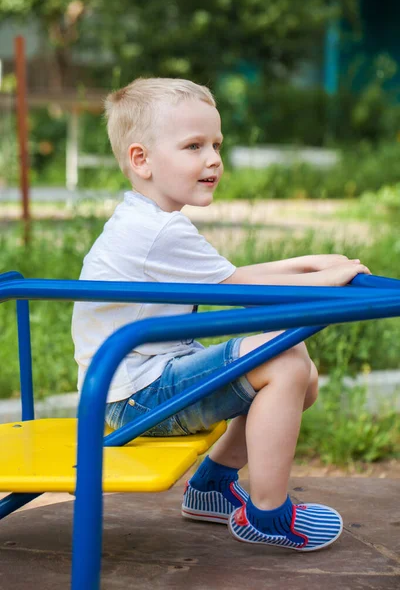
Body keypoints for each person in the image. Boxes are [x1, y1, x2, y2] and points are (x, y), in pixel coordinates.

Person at [71, 77, 370, 551]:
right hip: (135, 396)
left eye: (215, 144)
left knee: (302, 374)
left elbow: (229, 274)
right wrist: (323, 280)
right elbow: (241, 288)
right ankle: (267, 514)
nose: (212, 158)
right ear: (141, 159)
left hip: (142, 381)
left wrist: (309, 264)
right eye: (193, 146)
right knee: (286, 360)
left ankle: (211, 486)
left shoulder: (152, 220)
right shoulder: (155, 233)